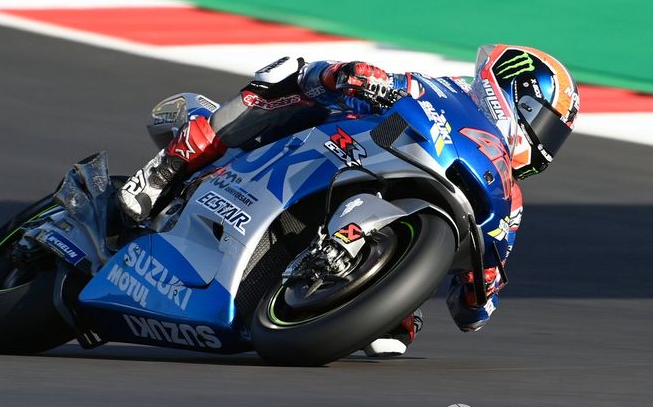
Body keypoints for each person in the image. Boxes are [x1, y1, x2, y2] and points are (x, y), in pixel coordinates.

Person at [118, 44, 580, 354]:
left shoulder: (509, 200)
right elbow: (362, 82)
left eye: (554, 137)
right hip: (339, 146)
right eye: (544, 124)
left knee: (396, 335)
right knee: (289, 74)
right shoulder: (444, 89)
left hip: (388, 231)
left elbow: (471, 314)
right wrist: (356, 78)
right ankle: (168, 170)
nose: (544, 143)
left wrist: (486, 284)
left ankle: (329, 295)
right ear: (516, 94)